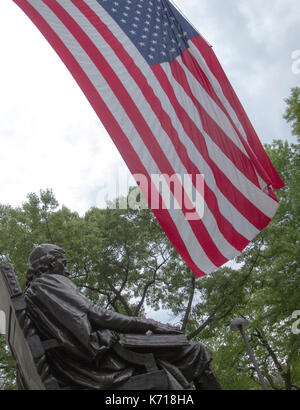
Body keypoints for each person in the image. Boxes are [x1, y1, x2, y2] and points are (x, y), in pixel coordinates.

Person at [24, 244, 221, 390]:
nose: (66, 270)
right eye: (62, 263)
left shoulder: (34, 294)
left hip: (76, 367)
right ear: (50, 263)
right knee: (196, 351)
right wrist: (148, 323)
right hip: (102, 366)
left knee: (181, 358)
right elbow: (96, 314)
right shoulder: (49, 283)